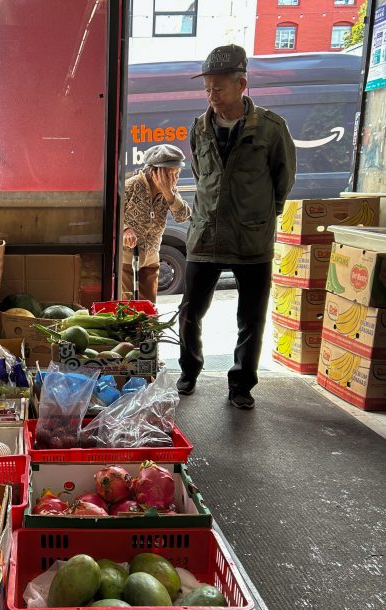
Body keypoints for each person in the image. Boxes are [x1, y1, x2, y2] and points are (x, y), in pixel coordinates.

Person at [177, 44, 296, 409]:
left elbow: (283, 178)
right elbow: (202, 176)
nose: (212, 95)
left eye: (219, 88)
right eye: (207, 88)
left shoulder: (272, 129)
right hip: (207, 234)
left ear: (241, 84)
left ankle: (242, 384)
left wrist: (262, 215)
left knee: (251, 317)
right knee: (189, 312)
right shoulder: (199, 128)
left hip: (251, 237)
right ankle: (189, 371)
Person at [121, 144, 191, 302]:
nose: (175, 179)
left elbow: (183, 216)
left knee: (148, 308)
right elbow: (114, 216)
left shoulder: (171, 191)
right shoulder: (130, 186)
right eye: (170, 174)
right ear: (154, 172)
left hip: (151, 257)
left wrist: (168, 193)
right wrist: (125, 229)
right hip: (127, 258)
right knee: (126, 307)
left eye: (177, 173)